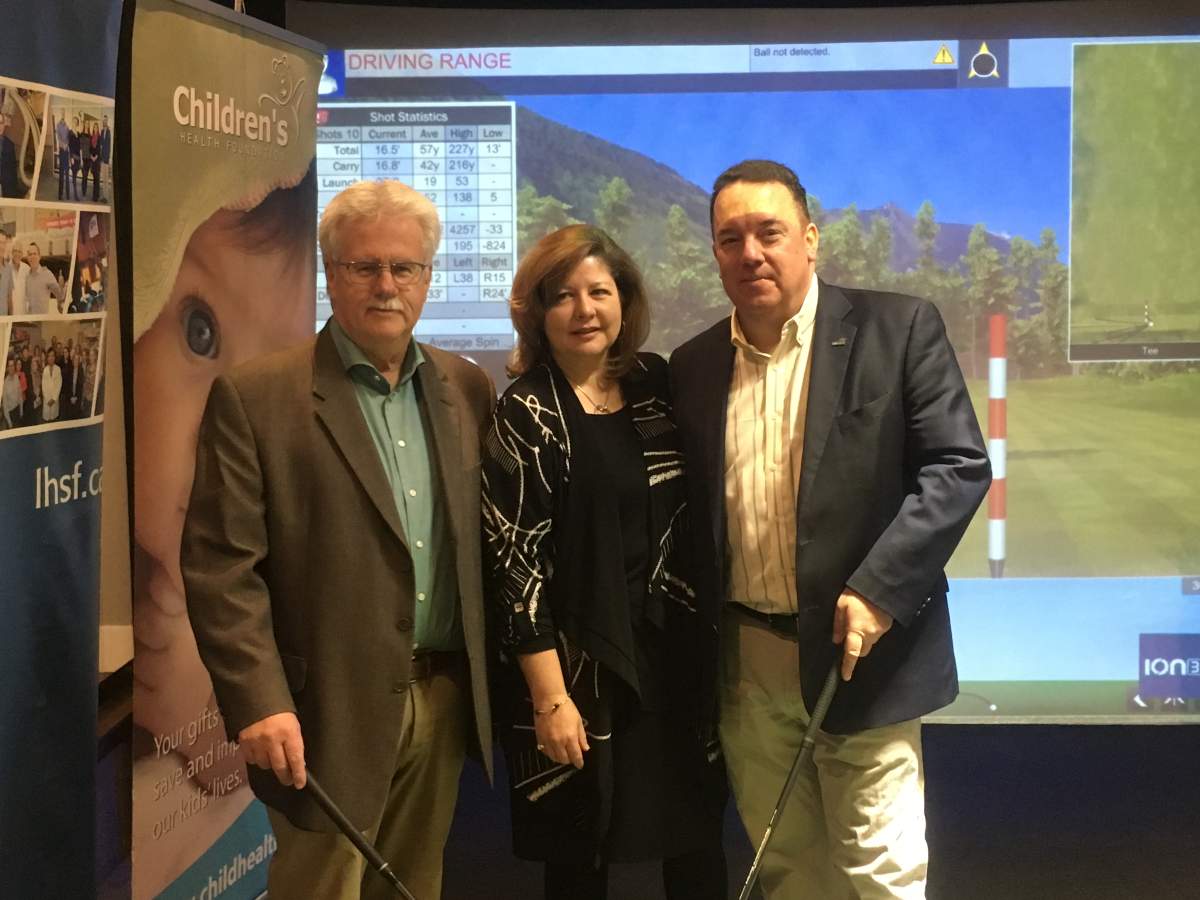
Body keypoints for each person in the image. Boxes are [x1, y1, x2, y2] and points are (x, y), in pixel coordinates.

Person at [669, 160, 991, 900]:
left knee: (881, 878)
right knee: (788, 876)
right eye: (730, 238)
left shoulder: (897, 328)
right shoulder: (691, 367)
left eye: (769, 232)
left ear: (810, 239)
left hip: (863, 659)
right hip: (746, 672)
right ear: (715, 253)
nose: (750, 252)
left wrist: (878, 590)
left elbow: (958, 466)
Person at [182, 178, 495, 900]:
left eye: (405, 267)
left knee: (413, 886)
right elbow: (221, 566)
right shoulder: (258, 397)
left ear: (427, 276)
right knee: (321, 889)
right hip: (323, 711)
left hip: (442, 697)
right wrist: (258, 699)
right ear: (332, 272)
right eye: (364, 266)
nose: (387, 285)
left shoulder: (464, 388)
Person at [482, 225, 727, 900]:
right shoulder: (525, 411)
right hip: (573, 670)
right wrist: (549, 697)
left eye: (599, 291)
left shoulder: (655, 383)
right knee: (580, 855)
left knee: (696, 845)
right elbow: (514, 564)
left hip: (671, 659)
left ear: (625, 301)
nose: (584, 310)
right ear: (537, 311)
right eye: (563, 296)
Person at [23, 243, 63, 315]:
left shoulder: (47, 274)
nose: (32, 256)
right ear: (27, 258)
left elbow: (59, 294)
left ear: (39, 256)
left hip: (42, 320)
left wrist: (59, 304)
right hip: (30, 320)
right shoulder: (26, 277)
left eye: (35, 254)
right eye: (30, 254)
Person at [0, 112, 20, 199]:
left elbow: (13, 171)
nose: (0, 126)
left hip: (8, 190)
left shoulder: (9, 144)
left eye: (1, 123)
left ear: (4, 124)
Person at [40, 348, 62, 422]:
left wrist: (53, 399)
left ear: (55, 357)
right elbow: (43, 386)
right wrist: (48, 399)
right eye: (49, 356)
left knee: (54, 419)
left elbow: (59, 385)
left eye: (52, 356)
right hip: (47, 400)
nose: (51, 358)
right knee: (46, 421)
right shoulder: (45, 370)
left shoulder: (58, 369)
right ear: (47, 358)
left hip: (54, 400)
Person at [9, 238, 28, 316]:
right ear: (12, 252)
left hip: (23, 313)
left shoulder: (26, 269)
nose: (17, 254)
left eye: (19, 251)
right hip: (9, 314)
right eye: (15, 251)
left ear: (22, 254)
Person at [3, 357, 23, 428]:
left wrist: (21, 410)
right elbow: (4, 406)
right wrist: (9, 422)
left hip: (17, 410)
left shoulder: (17, 378)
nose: (12, 368)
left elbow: (20, 395)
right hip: (10, 414)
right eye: (10, 366)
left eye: (13, 365)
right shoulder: (4, 383)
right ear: (7, 368)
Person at [55, 112, 71, 201]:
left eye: (64, 114)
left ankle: (68, 194)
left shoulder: (67, 126)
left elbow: (68, 138)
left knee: (67, 174)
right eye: (62, 113)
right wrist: (63, 145)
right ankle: (60, 195)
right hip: (62, 151)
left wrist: (67, 144)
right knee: (61, 174)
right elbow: (58, 137)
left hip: (66, 152)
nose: (63, 115)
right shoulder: (58, 125)